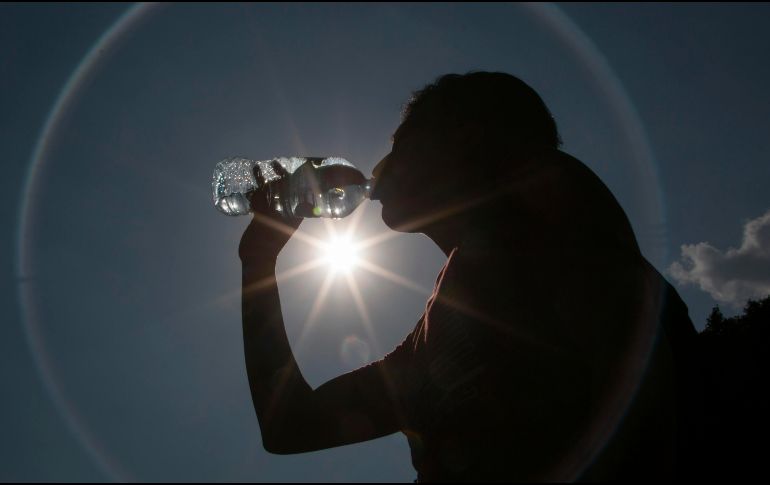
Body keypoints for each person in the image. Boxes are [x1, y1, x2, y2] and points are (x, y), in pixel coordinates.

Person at [237, 72, 702, 482]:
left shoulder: (559, 217)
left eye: (399, 147)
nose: (380, 171)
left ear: (465, 137)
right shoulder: (422, 353)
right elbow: (291, 427)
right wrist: (258, 261)